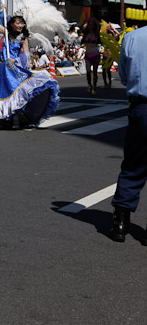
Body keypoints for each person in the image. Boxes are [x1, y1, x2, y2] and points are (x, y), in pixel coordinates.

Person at [0, 5, 60, 128]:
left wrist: (16, 61)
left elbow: (25, 56)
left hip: (12, 67)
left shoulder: (23, 37)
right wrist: (1, 10)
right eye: (17, 23)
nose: (20, 26)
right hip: (1, 67)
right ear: (11, 24)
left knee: (11, 94)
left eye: (22, 23)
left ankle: (11, 119)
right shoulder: (6, 32)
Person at [110, 26, 147, 242]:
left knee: (134, 163)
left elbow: (124, 76)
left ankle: (121, 220)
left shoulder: (131, 37)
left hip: (141, 106)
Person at [81, 18, 102, 95]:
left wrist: (94, 21)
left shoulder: (96, 34)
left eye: (92, 25)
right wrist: (85, 21)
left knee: (95, 72)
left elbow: (99, 26)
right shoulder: (85, 34)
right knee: (88, 71)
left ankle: (94, 87)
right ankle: (89, 85)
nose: (90, 26)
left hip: (95, 54)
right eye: (89, 25)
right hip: (88, 54)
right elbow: (81, 27)